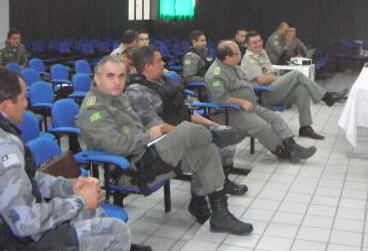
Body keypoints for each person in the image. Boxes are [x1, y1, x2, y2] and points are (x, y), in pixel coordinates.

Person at [0, 68, 144, 251]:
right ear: (6, 105)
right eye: (22, 98)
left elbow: (24, 178)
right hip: (11, 241)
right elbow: (25, 222)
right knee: (116, 231)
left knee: (91, 210)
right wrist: (80, 201)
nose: (27, 103)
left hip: (0, 226)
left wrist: (70, 186)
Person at [76, 56, 253, 235]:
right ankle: (214, 135)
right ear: (97, 78)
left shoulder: (117, 97)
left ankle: (220, 216)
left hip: (147, 155)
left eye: (121, 76)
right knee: (186, 131)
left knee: (207, 151)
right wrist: (149, 135)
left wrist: (152, 135)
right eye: (110, 76)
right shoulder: (93, 110)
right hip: (131, 170)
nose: (117, 81)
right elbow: (116, 145)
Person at [123, 46, 249, 224]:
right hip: (161, 146)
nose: (164, 63)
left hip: (185, 133)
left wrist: (212, 124)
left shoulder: (164, 82)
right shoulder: (136, 92)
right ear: (148, 66)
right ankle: (210, 141)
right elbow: (157, 127)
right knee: (208, 143)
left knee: (220, 145)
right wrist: (191, 134)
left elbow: (186, 112)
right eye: (159, 61)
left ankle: (204, 197)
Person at [205, 40, 317, 163]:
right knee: (262, 126)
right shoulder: (215, 73)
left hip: (249, 106)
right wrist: (242, 102)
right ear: (228, 57)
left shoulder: (233, 67)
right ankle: (282, 152)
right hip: (229, 111)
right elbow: (220, 99)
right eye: (237, 52)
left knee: (275, 118)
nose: (240, 54)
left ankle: (293, 147)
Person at [240, 31, 347, 140]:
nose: (258, 44)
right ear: (247, 45)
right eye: (254, 43)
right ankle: (327, 97)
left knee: (302, 90)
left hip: (273, 88)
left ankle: (305, 128)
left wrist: (272, 77)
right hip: (263, 94)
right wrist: (274, 77)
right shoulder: (249, 59)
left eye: (259, 41)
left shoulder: (262, 53)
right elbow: (261, 80)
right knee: (296, 74)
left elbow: (271, 73)